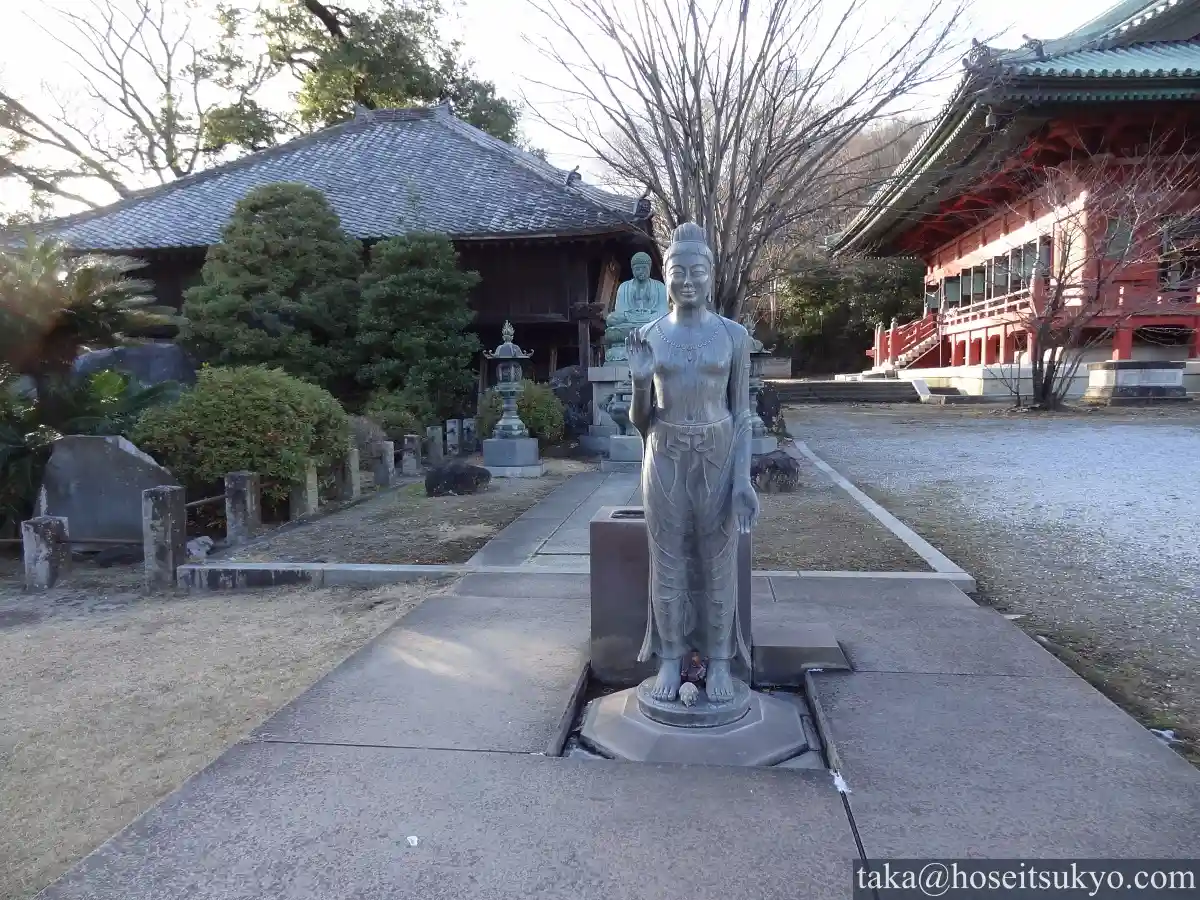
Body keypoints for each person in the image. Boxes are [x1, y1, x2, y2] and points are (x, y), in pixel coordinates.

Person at [625, 221, 759, 703]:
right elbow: (641, 422)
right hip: (664, 454)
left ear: (711, 274)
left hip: (719, 453)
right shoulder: (648, 335)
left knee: (718, 561)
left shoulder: (734, 336)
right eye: (677, 270)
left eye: (696, 271)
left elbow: (743, 413)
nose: (687, 280)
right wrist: (642, 381)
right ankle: (669, 658)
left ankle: (720, 662)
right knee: (668, 562)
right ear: (665, 276)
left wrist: (743, 480)